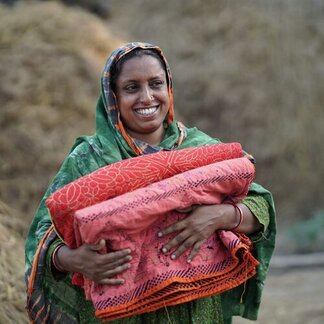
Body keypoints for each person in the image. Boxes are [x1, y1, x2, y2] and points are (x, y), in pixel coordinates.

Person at [25, 42, 276, 324]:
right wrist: (72, 259)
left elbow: (261, 206)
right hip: (117, 316)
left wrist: (219, 216)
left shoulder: (201, 150)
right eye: (131, 88)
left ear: (168, 87)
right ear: (113, 97)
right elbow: (42, 234)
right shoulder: (88, 160)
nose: (147, 97)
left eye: (155, 83)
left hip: (196, 311)